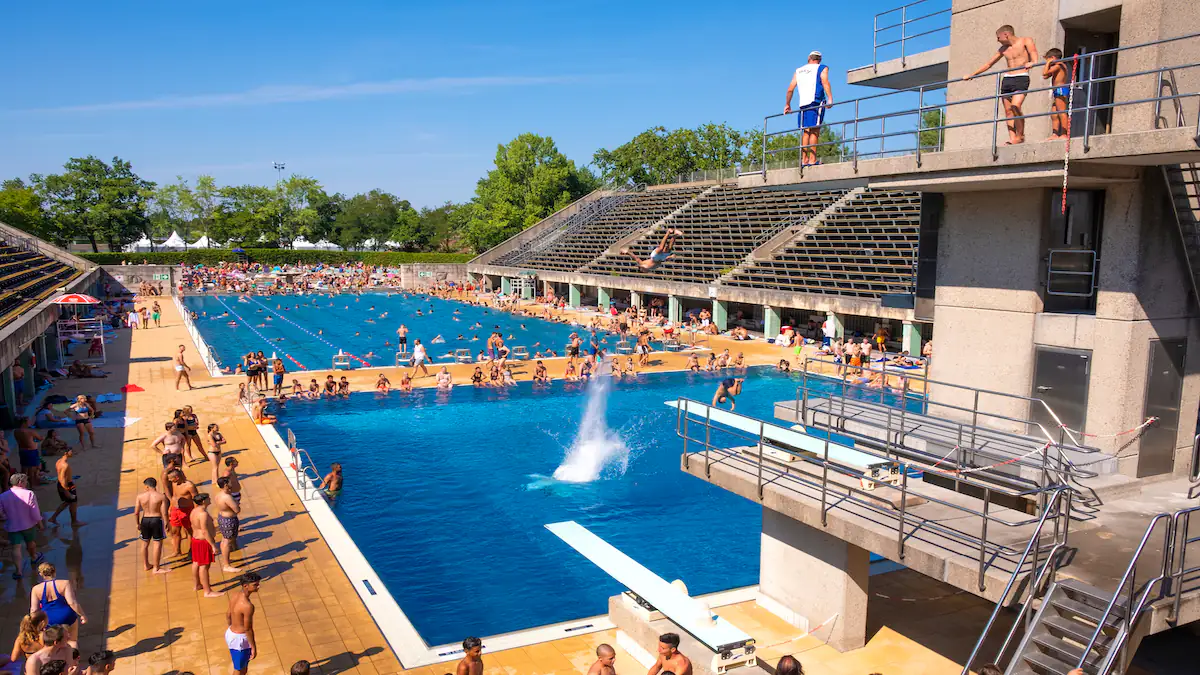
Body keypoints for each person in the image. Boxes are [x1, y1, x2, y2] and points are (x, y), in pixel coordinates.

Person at [963, 25, 1038, 145]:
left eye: (998, 37)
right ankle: (1012, 138)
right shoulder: (1003, 49)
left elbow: (1033, 52)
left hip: (1021, 77)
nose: (997, 40)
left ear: (1006, 34)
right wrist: (972, 75)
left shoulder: (1025, 41)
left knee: (1016, 106)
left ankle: (1020, 135)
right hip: (1007, 79)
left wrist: (1033, 62)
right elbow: (989, 64)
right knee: (1008, 111)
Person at [784, 50, 834, 166]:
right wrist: (830, 98)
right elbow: (825, 82)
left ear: (809, 59)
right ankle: (812, 159)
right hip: (816, 101)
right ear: (819, 60)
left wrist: (787, 104)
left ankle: (804, 159)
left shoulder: (799, 71)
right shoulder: (822, 68)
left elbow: (790, 89)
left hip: (803, 104)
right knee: (815, 131)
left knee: (806, 131)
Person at [29, 562, 86, 648]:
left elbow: (34, 610)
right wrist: (82, 615)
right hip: (67, 616)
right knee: (72, 641)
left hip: (48, 619)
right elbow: (72, 602)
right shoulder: (64, 583)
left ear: (41, 574)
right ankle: (74, 656)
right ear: (54, 571)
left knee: (52, 644)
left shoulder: (36, 589)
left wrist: (35, 625)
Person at [0, 474, 44, 579]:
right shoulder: (29, 493)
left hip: (12, 525)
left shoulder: (2, 496)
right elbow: (35, 511)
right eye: (25, 481)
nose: (26, 483)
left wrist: (7, 517)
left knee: (16, 547)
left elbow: (1, 513)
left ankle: (18, 571)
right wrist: (39, 523)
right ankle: (34, 557)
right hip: (28, 524)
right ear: (20, 482)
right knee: (30, 542)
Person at [226, 571, 262, 675]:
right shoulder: (248, 606)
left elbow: (228, 614)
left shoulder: (235, 595)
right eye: (255, 585)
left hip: (231, 634)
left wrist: (232, 628)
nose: (258, 586)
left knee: (243, 667)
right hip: (239, 641)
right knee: (239, 669)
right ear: (245, 586)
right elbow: (248, 629)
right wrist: (253, 646)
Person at [189, 493, 222, 597]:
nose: (210, 499)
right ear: (203, 501)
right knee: (204, 566)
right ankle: (207, 591)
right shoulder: (203, 514)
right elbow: (204, 531)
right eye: (208, 498)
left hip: (195, 540)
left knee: (196, 562)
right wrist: (213, 545)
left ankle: (197, 585)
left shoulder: (194, 511)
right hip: (203, 541)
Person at [134, 477, 169, 574]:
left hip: (145, 520)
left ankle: (146, 565)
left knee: (144, 543)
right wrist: (166, 522)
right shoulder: (161, 497)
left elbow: (136, 512)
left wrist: (137, 523)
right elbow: (164, 512)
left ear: (147, 486)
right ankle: (156, 568)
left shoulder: (140, 496)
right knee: (157, 543)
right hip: (156, 519)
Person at [48, 450, 83, 527]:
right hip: (67, 485)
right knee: (73, 503)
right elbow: (62, 479)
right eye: (71, 451)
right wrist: (67, 491)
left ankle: (53, 518)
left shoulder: (58, 461)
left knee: (67, 502)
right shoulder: (65, 465)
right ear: (66, 453)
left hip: (61, 484)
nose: (73, 453)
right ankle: (74, 522)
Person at [167, 468, 197, 557]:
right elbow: (174, 496)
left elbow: (196, 499)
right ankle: (177, 551)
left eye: (171, 478)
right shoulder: (174, 483)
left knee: (189, 531)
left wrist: (196, 512)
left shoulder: (189, 486)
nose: (169, 480)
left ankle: (191, 551)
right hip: (175, 509)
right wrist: (170, 507)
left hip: (187, 510)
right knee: (175, 531)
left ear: (177, 477)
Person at [1043, 47, 1071, 140]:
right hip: (1056, 90)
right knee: (1054, 113)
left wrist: (1048, 63)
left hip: (1060, 89)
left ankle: (1064, 133)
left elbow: (1044, 73)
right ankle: (1055, 134)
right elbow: (1046, 76)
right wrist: (1049, 64)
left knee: (1061, 111)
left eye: (1048, 59)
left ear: (1053, 58)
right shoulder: (1056, 66)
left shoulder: (1059, 65)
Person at [215, 477, 241, 573]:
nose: (232, 484)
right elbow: (237, 510)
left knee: (224, 540)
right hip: (229, 520)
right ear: (226, 485)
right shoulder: (227, 497)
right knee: (227, 541)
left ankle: (226, 560)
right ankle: (226, 565)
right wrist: (237, 503)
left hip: (222, 518)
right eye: (230, 483)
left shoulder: (219, 494)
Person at [14, 419, 44, 487]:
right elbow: (40, 438)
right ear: (24, 423)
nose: (30, 423)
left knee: (23, 469)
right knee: (31, 470)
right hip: (31, 451)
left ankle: (21, 485)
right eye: (29, 422)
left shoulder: (16, 431)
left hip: (22, 451)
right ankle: (32, 485)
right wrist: (42, 437)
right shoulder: (30, 431)